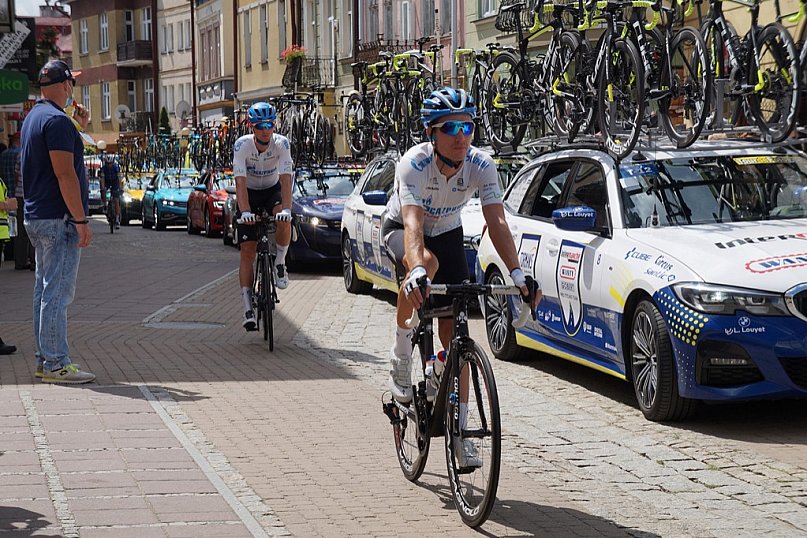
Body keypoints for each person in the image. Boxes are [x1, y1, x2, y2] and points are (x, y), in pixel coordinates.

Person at [382, 87, 541, 466]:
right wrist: (416, 267)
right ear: (431, 135)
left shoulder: (481, 164)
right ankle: (401, 351)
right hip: (402, 227)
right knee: (427, 267)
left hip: (449, 231)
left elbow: (497, 221)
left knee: (457, 337)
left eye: (467, 127)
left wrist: (517, 273)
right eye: (450, 127)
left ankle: (461, 432)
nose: (460, 136)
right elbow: (412, 222)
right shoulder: (414, 165)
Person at [20, 59, 96, 384]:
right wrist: (80, 219)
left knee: (43, 289)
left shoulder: (33, 118)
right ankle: (55, 363)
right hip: (58, 217)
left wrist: (78, 125)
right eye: (71, 85)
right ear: (66, 86)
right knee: (58, 292)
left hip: (36, 215)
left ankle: (44, 358)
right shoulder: (57, 121)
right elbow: (65, 175)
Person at [233, 102, 294, 331]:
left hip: (271, 191)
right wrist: (246, 212)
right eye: (260, 126)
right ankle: (247, 306)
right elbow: (240, 183)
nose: (265, 130)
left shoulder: (282, 144)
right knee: (248, 250)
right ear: (252, 127)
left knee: (284, 217)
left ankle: (279, 261)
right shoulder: (242, 146)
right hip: (248, 194)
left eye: (269, 125)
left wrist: (287, 209)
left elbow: (286, 179)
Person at [1, 132, 21, 262]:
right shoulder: (19, 154)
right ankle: (14, 255)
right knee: (16, 226)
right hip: (14, 194)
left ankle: (9, 254)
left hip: (5, 190)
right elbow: (18, 175)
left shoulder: (3, 155)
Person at [100, 155, 121, 228]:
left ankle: (117, 219)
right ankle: (105, 205)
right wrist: (103, 188)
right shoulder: (103, 169)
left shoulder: (116, 168)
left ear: (112, 162)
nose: (109, 165)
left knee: (116, 200)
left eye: (110, 163)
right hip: (107, 182)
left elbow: (119, 178)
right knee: (103, 191)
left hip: (114, 183)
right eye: (107, 163)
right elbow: (102, 178)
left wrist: (120, 187)